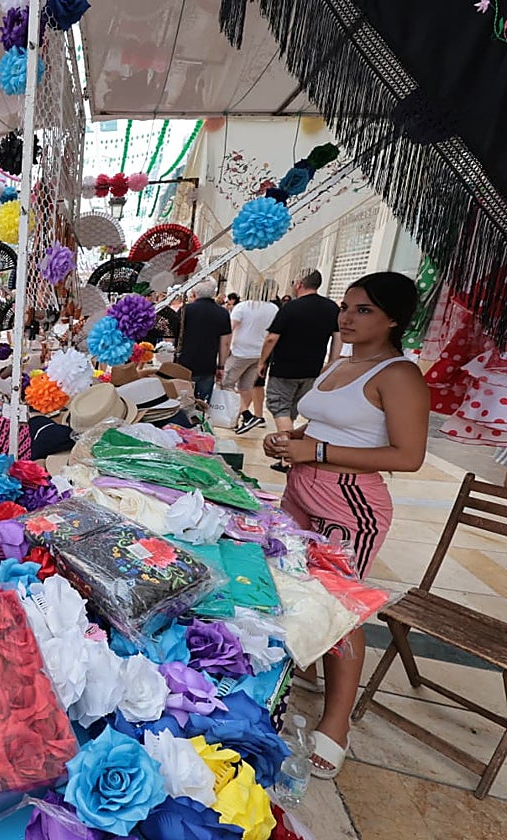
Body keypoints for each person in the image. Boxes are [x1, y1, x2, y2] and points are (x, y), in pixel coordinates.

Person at [263, 272, 427, 781]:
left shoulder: (399, 375)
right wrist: (293, 441)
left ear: (394, 319)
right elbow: (332, 424)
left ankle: (336, 726)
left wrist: (318, 451)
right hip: (302, 488)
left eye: (364, 311)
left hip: (350, 502)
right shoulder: (344, 359)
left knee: (340, 605)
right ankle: (304, 670)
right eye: (347, 307)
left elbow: (409, 455)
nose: (348, 317)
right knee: (289, 581)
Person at [259, 269, 341, 472]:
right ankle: (291, 454)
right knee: (293, 410)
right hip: (313, 369)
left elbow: (271, 338)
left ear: (299, 284)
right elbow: (337, 337)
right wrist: (332, 363)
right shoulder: (331, 308)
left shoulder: (291, 308)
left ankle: (289, 457)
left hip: (285, 368)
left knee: (280, 408)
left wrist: (262, 362)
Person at [222, 294, 279, 434]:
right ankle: (241, 418)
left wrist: (225, 351)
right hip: (259, 354)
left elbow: (229, 329)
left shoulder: (242, 307)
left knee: (225, 384)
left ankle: (246, 415)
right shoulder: (274, 308)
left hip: (240, 353)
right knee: (246, 387)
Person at [175, 281, 232, 402]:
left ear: (195, 294)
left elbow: (174, 335)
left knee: (184, 401)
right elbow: (225, 343)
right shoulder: (222, 313)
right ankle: (200, 420)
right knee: (203, 403)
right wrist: (221, 366)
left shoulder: (185, 310)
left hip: (185, 362)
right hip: (208, 364)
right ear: (213, 294)